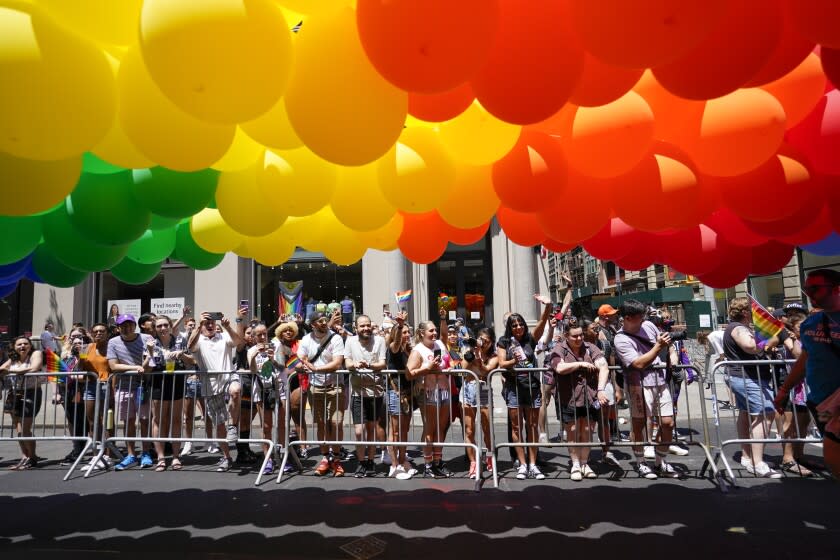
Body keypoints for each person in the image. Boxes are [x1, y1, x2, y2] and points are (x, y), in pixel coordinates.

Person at [775, 268, 840, 478]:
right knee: (834, 458)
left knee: (832, 451)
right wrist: (785, 389)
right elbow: (805, 358)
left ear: (837, 289)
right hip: (821, 402)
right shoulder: (810, 323)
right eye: (806, 289)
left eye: (815, 288)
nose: (809, 294)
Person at [613, 300, 680, 479]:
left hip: (660, 380)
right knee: (639, 424)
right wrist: (658, 347)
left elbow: (668, 344)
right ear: (627, 318)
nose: (643, 320)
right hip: (638, 383)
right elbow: (638, 363)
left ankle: (660, 461)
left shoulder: (649, 325)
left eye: (644, 316)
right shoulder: (620, 339)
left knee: (668, 423)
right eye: (639, 318)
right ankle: (641, 462)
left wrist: (672, 356)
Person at [722, 297, 782, 478]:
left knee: (746, 413)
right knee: (766, 412)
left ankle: (748, 457)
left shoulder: (737, 327)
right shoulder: (738, 328)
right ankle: (758, 462)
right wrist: (769, 342)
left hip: (745, 377)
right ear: (746, 312)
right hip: (747, 377)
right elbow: (750, 346)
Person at [550, 322, 610, 480]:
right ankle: (575, 464)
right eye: (574, 336)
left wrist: (601, 389)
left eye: (580, 335)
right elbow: (560, 368)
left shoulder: (590, 347)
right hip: (568, 397)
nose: (578, 338)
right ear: (566, 336)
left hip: (589, 395)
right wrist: (580, 364)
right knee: (573, 430)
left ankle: (585, 463)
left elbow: (603, 366)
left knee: (587, 430)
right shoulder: (559, 348)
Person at [188, 312, 245, 472]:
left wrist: (228, 327)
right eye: (206, 323)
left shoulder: (224, 336)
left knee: (236, 390)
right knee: (219, 425)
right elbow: (190, 346)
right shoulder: (198, 339)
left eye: (212, 322)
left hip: (228, 377)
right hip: (210, 385)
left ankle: (233, 426)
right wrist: (198, 326)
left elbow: (238, 342)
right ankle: (226, 457)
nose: (210, 325)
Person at [297, 311, 346, 477]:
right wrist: (304, 364)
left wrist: (315, 368)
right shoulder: (306, 339)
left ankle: (337, 459)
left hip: (335, 386)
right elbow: (300, 359)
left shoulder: (336, 338)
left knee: (336, 422)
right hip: (315, 386)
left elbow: (337, 363)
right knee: (321, 423)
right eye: (320, 321)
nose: (324, 323)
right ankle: (326, 458)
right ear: (312, 324)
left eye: (325, 320)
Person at [497, 313, 544, 480]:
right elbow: (502, 364)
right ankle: (522, 464)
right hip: (513, 388)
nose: (518, 328)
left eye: (521, 324)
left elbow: (542, 322)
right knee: (516, 427)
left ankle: (533, 464)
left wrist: (547, 307)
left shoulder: (530, 339)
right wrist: (513, 362)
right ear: (510, 328)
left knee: (532, 426)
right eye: (514, 325)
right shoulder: (504, 341)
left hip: (532, 388)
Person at [406, 320, 453, 478]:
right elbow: (409, 373)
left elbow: (447, 361)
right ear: (421, 333)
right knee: (430, 427)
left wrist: (450, 366)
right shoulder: (417, 350)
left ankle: (437, 461)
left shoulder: (440, 344)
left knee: (441, 427)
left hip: (444, 390)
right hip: (428, 391)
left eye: (435, 330)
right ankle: (427, 464)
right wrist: (427, 368)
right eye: (431, 331)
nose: (435, 333)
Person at [107, 314, 154, 471]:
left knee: (145, 420)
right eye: (123, 325)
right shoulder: (113, 342)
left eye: (129, 325)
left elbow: (151, 359)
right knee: (128, 421)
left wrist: (144, 364)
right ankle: (131, 454)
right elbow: (113, 366)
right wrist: (136, 368)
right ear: (118, 327)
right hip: (123, 387)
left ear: (135, 326)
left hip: (143, 386)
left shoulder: (146, 337)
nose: (126, 328)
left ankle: (146, 453)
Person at [147, 315, 193, 471]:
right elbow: (146, 369)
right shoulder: (151, 343)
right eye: (159, 326)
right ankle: (160, 458)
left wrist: (181, 354)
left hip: (177, 383)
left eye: (165, 325)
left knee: (176, 420)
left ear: (170, 325)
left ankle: (175, 456)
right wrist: (150, 352)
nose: (162, 328)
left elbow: (191, 361)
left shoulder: (180, 341)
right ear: (155, 328)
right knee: (159, 420)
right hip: (158, 384)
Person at [345, 314, 387, 478]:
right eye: (362, 326)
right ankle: (361, 461)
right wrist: (354, 365)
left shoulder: (380, 341)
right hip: (357, 392)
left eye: (367, 325)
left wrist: (369, 365)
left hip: (376, 392)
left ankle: (370, 461)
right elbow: (347, 362)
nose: (366, 328)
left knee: (371, 429)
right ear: (356, 328)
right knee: (359, 430)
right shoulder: (350, 341)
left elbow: (383, 363)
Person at [248, 323, 287, 475]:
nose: (263, 337)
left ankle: (284, 457)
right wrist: (255, 355)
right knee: (266, 426)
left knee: (282, 424)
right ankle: (268, 459)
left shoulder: (277, 346)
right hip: (261, 389)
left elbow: (282, 367)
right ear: (253, 337)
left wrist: (273, 359)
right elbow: (252, 370)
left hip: (278, 389)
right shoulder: (251, 350)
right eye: (259, 335)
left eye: (264, 333)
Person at [1, 336, 44, 469]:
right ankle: (25, 456)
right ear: (14, 346)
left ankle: (32, 457)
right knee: (18, 428)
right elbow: (2, 370)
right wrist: (12, 370)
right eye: (19, 344)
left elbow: (35, 368)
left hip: (31, 392)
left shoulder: (36, 353)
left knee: (25, 428)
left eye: (25, 343)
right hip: (14, 394)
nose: (22, 346)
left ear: (30, 345)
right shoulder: (13, 358)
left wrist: (11, 371)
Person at [461, 327, 498, 479]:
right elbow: (463, 368)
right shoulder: (469, 351)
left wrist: (479, 359)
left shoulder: (494, 356)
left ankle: (490, 456)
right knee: (469, 429)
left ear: (491, 342)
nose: (483, 344)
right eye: (481, 340)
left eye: (486, 341)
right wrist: (473, 353)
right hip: (468, 389)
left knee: (486, 427)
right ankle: (473, 462)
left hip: (483, 389)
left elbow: (486, 371)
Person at [385, 310, 417, 479]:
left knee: (404, 430)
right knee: (395, 431)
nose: (407, 334)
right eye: (404, 332)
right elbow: (396, 343)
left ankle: (403, 460)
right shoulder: (393, 347)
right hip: (395, 392)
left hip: (408, 394)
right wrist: (399, 326)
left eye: (407, 332)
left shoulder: (408, 350)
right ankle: (394, 464)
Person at [79, 323, 114, 472]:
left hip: (108, 385)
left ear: (107, 333)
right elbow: (81, 368)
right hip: (91, 386)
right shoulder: (87, 348)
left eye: (102, 331)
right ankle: (95, 455)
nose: (98, 333)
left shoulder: (112, 347)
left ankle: (108, 455)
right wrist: (79, 356)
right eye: (96, 331)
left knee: (107, 421)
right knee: (92, 421)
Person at [58, 328, 92, 467]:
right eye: (74, 340)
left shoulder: (89, 354)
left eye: (80, 339)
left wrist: (76, 377)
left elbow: (90, 375)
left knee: (83, 422)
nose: (77, 343)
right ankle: (77, 450)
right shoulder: (68, 357)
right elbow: (61, 376)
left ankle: (80, 452)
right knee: (73, 421)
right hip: (70, 393)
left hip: (86, 392)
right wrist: (59, 392)